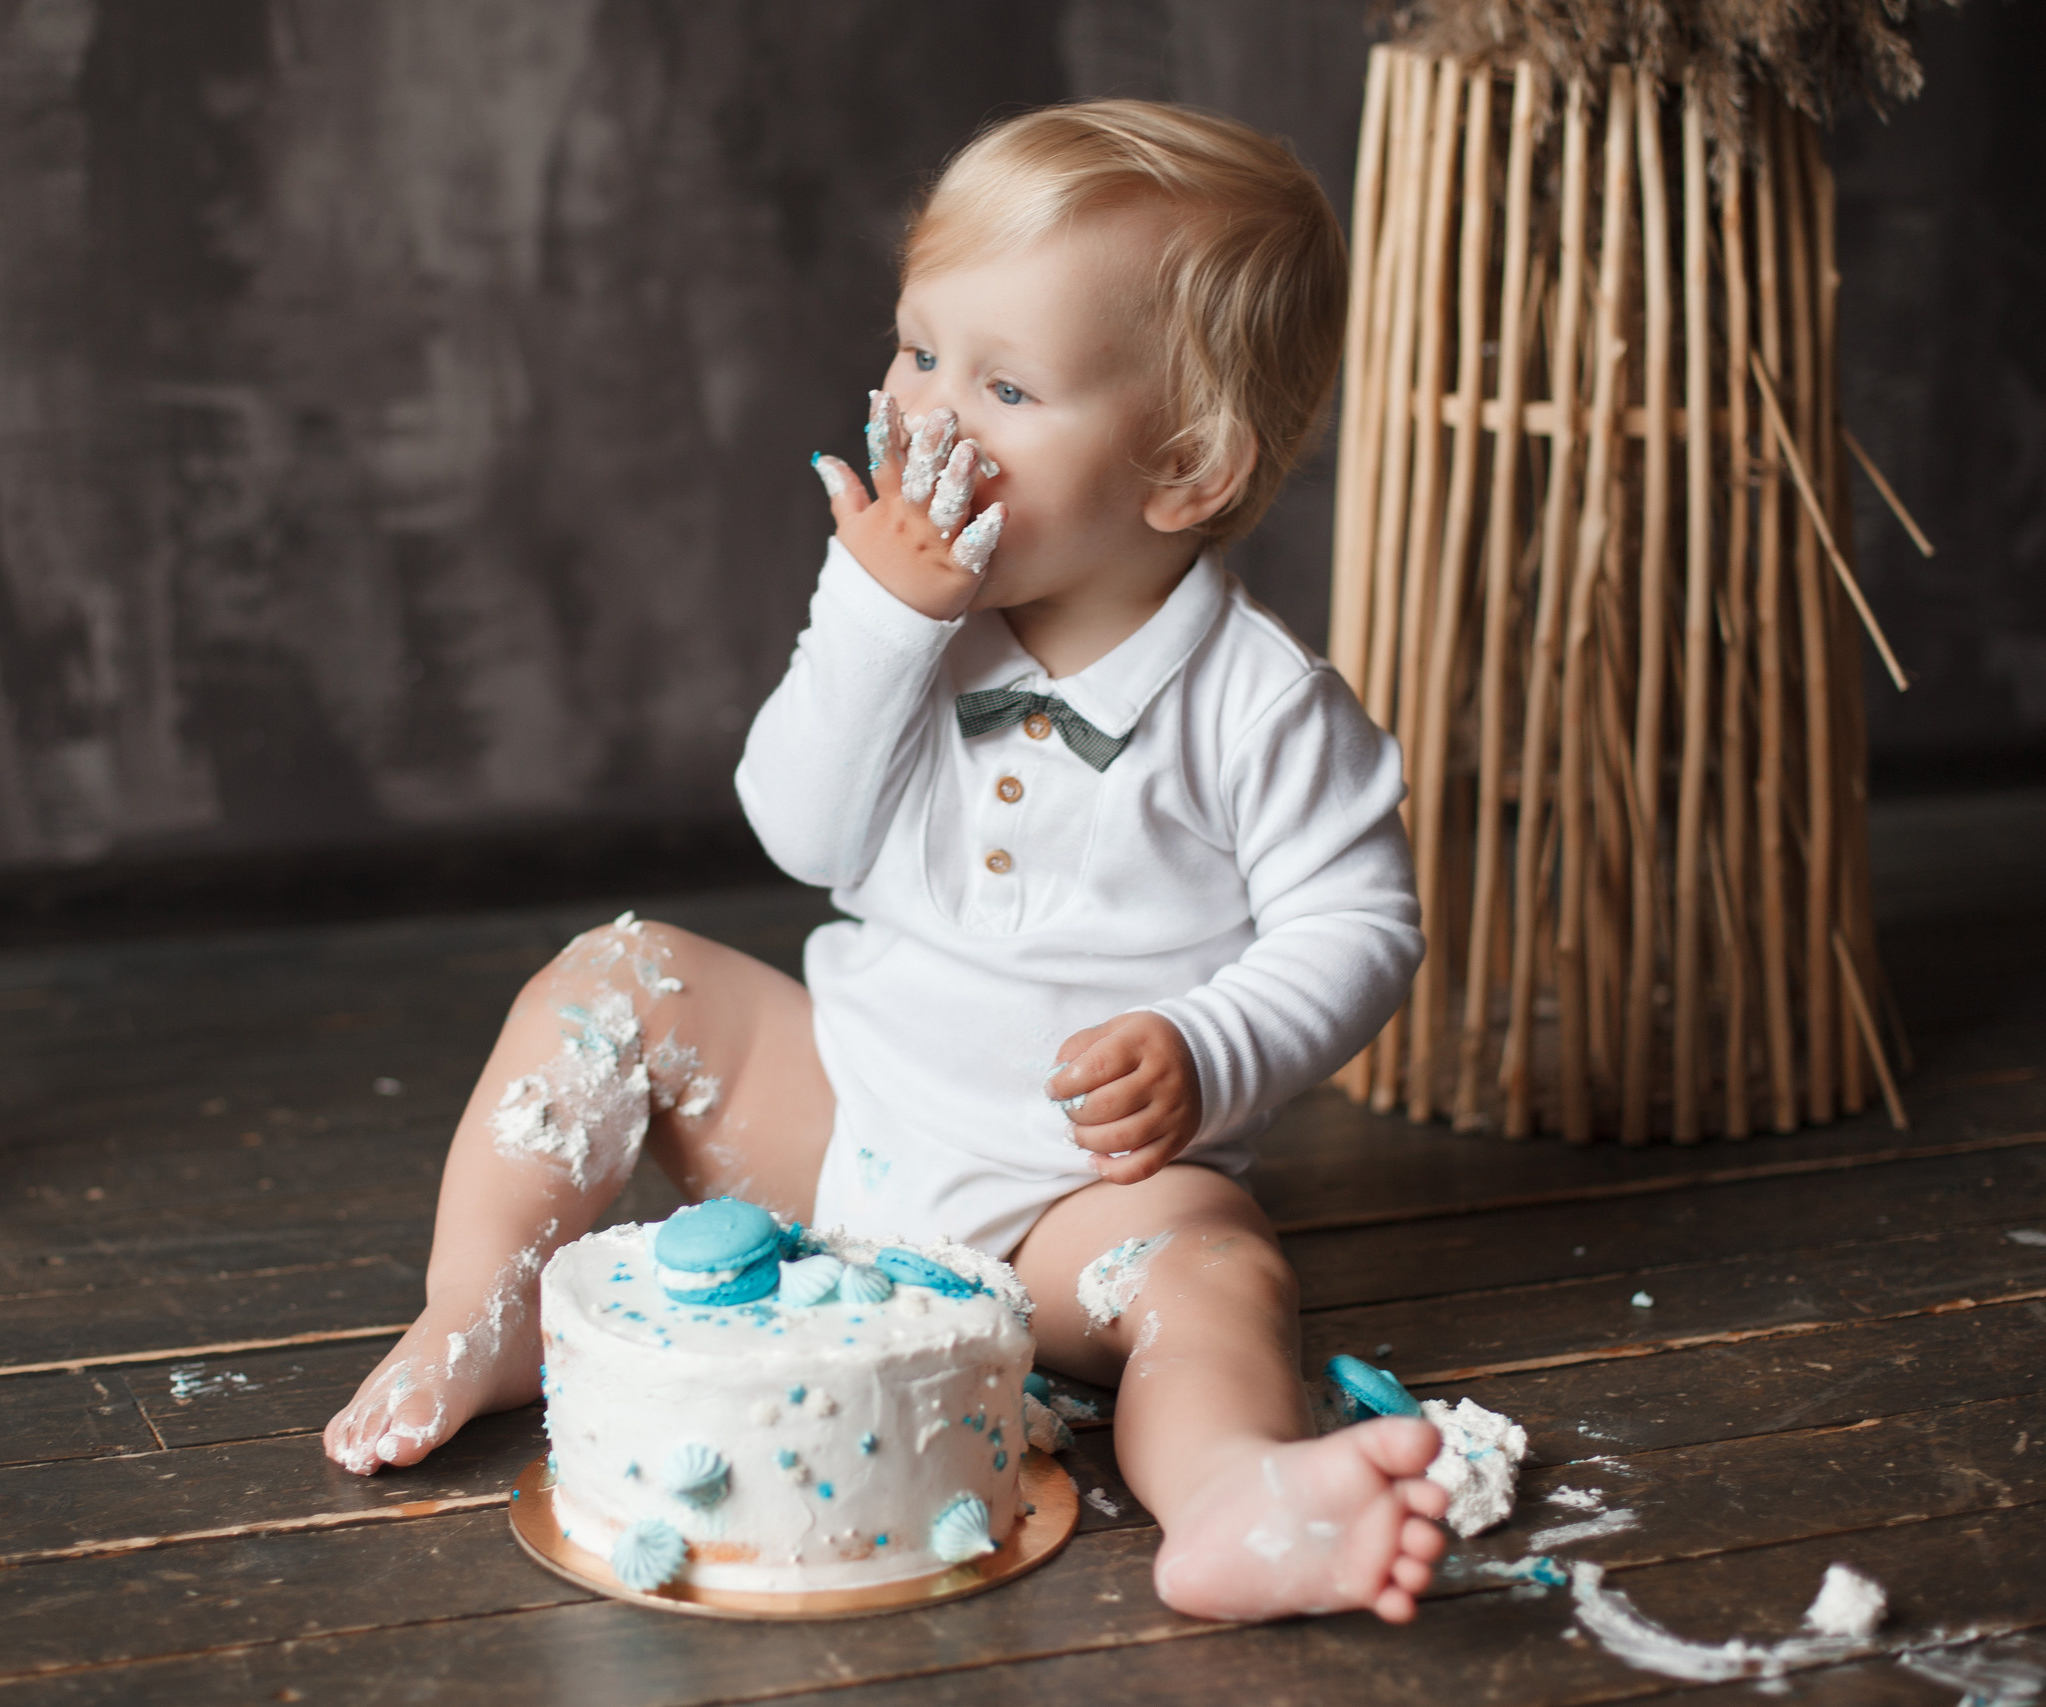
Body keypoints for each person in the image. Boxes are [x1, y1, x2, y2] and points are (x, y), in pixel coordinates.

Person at [323, 99, 1450, 1624]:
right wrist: (875, 621)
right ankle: (486, 1308)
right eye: (916, 352)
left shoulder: (1262, 703)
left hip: (1080, 1207)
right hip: (842, 1112)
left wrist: (1209, 1044)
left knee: (1214, 1278)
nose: (927, 415)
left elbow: (1362, 925)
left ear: (1183, 466)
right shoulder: (905, 620)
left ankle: (1235, 1491)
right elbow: (799, 831)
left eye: (1001, 383)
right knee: (619, 976)